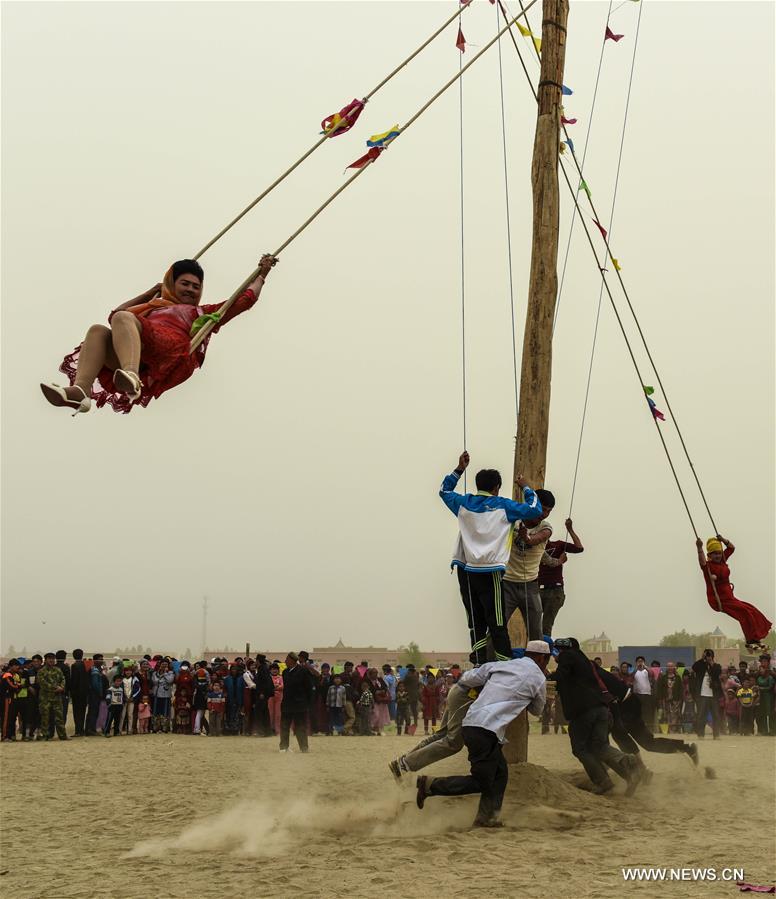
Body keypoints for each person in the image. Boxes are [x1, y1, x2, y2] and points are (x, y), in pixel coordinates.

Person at [41, 255, 278, 415]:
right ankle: (80, 392)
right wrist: (152, 292)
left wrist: (261, 275)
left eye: (196, 287)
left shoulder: (201, 312)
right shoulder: (155, 306)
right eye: (185, 284)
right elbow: (117, 314)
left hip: (172, 348)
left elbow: (245, 300)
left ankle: (131, 376)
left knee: (123, 320)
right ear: (172, 284)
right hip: (141, 351)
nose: (191, 290)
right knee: (99, 331)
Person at [415, 642, 550, 828]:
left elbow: (467, 678)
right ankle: (430, 785)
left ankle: (487, 818)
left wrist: (492, 689)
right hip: (486, 730)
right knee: (482, 781)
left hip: (473, 723)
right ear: (542, 658)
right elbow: (537, 710)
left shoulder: (503, 665)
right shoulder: (538, 678)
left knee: (500, 774)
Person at [439, 451, 541, 663]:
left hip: (465, 569)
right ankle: (504, 664)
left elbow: (444, 490)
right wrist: (526, 487)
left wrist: (459, 470)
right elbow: (535, 509)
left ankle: (479, 661)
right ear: (496, 488)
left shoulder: (463, 502)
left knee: (475, 620)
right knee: (496, 621)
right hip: (489, 569)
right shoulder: (504, 505)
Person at [551, 638, 642, 795]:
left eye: (554, 653)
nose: (553, 658)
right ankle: (629, 773)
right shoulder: (585, 663)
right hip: (601, 709)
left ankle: (604, 780)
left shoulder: (568, 656)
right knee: (599, 747)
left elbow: (559, 676)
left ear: (561, 651)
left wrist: (547, 676)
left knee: (580, 749)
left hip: (584, 712)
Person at [390, 678, 477, 780]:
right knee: (453, 742)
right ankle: (404, 764)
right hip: (465, 697)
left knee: (442, 735)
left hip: (460, 692)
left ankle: (403, 761)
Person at [695, 536, 772, 651]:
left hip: (730, 598)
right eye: (714, 554)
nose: (718, 556)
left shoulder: (723, 560)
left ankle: (755, 639)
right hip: (720, 600)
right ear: (709, 555)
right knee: (744, 613)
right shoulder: (708, 567)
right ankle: (750, 640)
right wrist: (699, 548)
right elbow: (701, 561)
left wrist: (723, 540)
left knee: (752, 610)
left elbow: (731, 548)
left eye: (719, 553)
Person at [503, 490, 556, 642]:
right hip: (507, 583)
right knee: (497, 627)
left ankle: (535, 664)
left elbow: (535, 540)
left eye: (548, 511)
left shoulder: (546, 527)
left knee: (535, 632)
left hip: (531, 586)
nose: (544, 514)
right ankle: (490, 663)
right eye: (542, 508)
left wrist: (526, 537)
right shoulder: (513, 520)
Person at [538, 518, 584, 636]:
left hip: (555, 590)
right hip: (536, 589)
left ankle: (544, 652)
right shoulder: (532, 548)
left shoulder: (558, 545)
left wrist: (570, 529)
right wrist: (560, 561)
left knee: (546, 626)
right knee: (532, 624)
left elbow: (579, 548)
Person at [279, 652, 313, 752]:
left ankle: (304, 748)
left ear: (292, 661)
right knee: (284, 726)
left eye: (287, 659)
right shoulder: (285, 672)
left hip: (299, 705)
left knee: (300, 727)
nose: (285, 661)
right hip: (287, 704)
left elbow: (309, 689)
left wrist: (307, 703)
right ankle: (284, 747)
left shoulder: (303, 671)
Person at [691, 649, 722, 739]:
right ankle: (700, 734)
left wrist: (711, 662)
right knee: (701, 715)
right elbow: (694, 667)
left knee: (716, 715)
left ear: (713, 656)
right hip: (702, 694)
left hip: (713, 695)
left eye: (709, 655)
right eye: (706, 655)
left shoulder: (716, 666)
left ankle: (716, 735)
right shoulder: (701, 665)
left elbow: (717, 672)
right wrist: (702, 658)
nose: (708, 656)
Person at [38, 652, 69, 741]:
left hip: (57, 697)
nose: (51, 660)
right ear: (46, 660)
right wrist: (56, 688)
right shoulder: (41, 671)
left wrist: (62, 687)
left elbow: (63, 679)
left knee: (59, 717)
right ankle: (45, 735)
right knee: (45, 717)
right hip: (45, 698)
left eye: (53, 658)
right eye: (49, 658)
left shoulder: (58, 670)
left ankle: (62, 735)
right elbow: (43, 683)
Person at [632, 657, 655, 734]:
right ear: (636, 662)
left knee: (647, 711)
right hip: (637, 694)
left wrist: (645, 667)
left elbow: (652, 675)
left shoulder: (647, 670)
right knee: (638, 711)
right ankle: (638, 728)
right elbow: (630, 676)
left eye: (641, 661)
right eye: (638, 661)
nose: (640, 662)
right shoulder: (634, 670)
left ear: (644, 662)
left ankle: (649, 728)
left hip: (647, 693)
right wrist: (636, 668)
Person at [1, 660, 23, 742]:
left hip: (14, 699)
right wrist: (18, 686)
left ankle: (11, 735)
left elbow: (18, 686)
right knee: (6, 718)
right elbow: (12, 686)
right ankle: (5, 736)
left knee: (12, 718)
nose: (17, 667)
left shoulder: (16, 675)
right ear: (11, 666)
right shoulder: (7, 675)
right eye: (15, 665)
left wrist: (18, 686)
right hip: (7, 699)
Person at [69, 649, 89, 737]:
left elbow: (74, 680)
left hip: (77, 693)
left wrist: (71, 691)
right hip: (85, 692)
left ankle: (78, 731)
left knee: (77, 712)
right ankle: (82, 729)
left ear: (74, 656)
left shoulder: (74, 666)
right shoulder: (87, 665)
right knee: (83, 712)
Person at [86, 654, 107, 736]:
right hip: (94, 694)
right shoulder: (95, 670)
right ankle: (91, 729)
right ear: (94, 660)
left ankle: (90, 729)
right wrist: (100, 693)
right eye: (99, 659)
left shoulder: (98, 669)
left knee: (93, 711)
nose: (101, 661)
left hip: (95, 694)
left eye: (102, 659)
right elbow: (95, 684)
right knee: (93, 712)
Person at [151, 660, 174, 733]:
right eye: (162, 664)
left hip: (166, 695)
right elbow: (154, 681)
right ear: (159, 665)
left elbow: (170, 681)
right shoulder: (155, 673)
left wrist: (165, 673)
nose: (164, 666)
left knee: (165, 712)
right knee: (156, 712)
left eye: (165, 664)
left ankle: (165, 728)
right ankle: (156, 727)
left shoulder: (170, 673)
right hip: (157, 695)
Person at [755, 655, 774, 736]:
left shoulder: (771, 672)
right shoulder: (759, 673)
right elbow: (754, 679)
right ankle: (763, 730)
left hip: (769, 696)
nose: (763, 663)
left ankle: (772, 730)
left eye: (765, 661)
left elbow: (771, 686)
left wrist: (761, 688)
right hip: (760, 697)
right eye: (762, 661)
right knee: (761, 713)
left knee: (770, 713)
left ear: (768, 662)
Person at [402, 665, 420, 732]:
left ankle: (407, 727)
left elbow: (403, 682)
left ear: (409, 670)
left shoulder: (408, 676)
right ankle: (415, 723)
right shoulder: (416, 676)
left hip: (408, 695)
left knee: (407, 711)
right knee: (414, 711)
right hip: (415, 695)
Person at [268, 662, 283, 735]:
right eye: (273, 669)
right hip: (270, 697)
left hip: (279, 698)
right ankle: (270, 729)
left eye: (276, 669)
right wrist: (276, 687)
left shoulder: (281, 677)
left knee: (278, 714)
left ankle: (278, 730)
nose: (275, 671)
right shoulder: (268, 677)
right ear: (270, 670)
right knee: (270, 713)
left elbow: (283, 686)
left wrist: (275, 687)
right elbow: (268, 687)